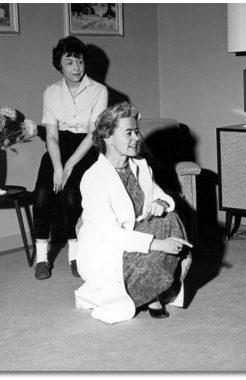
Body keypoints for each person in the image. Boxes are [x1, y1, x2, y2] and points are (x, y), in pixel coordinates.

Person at [74, 102, 193, 324]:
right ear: (108, 137)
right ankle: (147, 292)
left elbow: (166, 198)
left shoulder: (140, 164)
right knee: (164, 239)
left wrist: (160, 202)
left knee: (170, 218)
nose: (136, 138)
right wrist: (160, 245)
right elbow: (112, 235)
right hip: (110, 255)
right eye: (128, 133)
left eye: (136, 131)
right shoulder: (93, 178)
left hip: (136, 238)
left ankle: (153, 292)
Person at [32, 36, 108, 280]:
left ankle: (76, 255)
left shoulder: (99, 91)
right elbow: (51, 136)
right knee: (43, 195)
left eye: (80, 61)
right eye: (69, 62)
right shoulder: (51, 92)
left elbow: (93, 133)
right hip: (58, 147)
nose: (76, 68)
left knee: (74, 195)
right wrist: (57, 167)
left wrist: (70, 166)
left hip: (85, 148)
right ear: (60, 65)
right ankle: (42, 258)